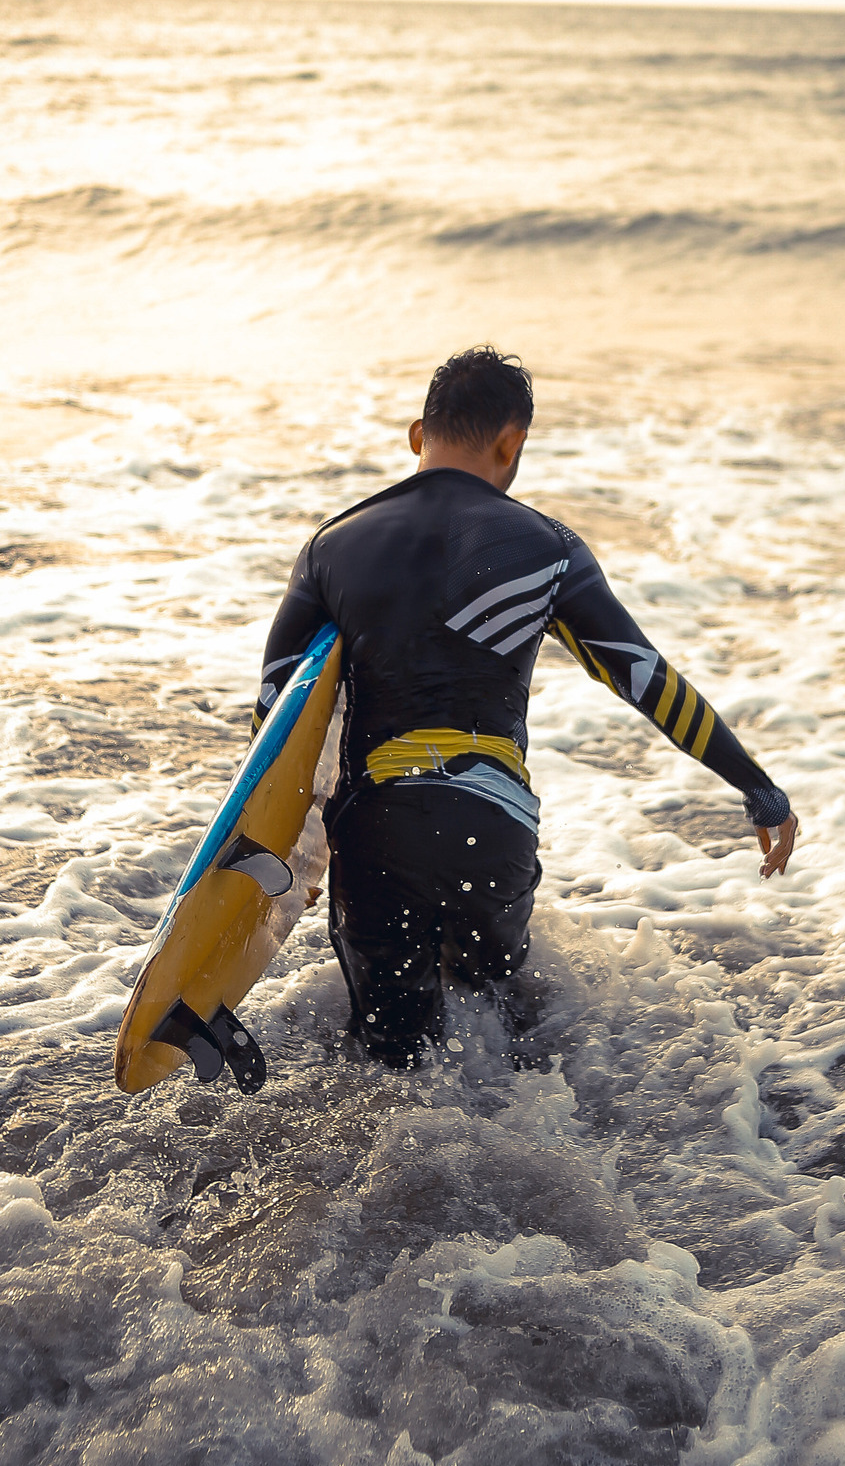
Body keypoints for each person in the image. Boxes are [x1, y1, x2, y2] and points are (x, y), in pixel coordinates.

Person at [253, 348, 799, 1070]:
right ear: (511, 444)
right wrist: (758, 788)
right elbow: (645, 677)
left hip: (378, 826)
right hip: (492, 821)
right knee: (500, 1033)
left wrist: (292, 856)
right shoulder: (548, 547)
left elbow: (276, 709)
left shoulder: (333, 546)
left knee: (391, 1060)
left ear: (418, 435)